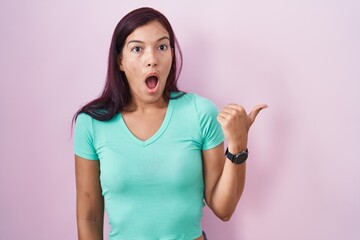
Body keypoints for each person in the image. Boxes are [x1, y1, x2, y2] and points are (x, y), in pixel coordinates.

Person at [73, 7, 267, 240]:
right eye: (137, 49)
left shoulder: (200, 112)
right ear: (120, 61)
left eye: (162, 47)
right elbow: (89, 216)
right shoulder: (92, 123)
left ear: (172, 55)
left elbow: (223, 209)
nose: (152, 60)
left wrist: (238, 146)